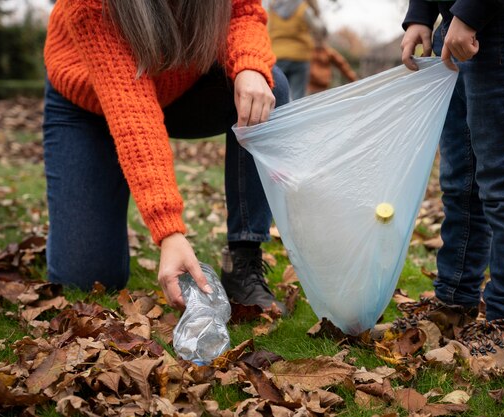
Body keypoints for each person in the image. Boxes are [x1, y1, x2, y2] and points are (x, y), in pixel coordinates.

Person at [42, 0, 288, 315]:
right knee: (86, 280)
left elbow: (242, 12)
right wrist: (169, 231)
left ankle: (243, 259)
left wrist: (250, 65)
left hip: (179, 85)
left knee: (270, 84)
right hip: (87, 102)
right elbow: (132, 111)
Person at [398, 0, 504, 372]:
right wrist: (421, 14)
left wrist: (471, 11)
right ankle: (454, 305)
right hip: (456, 25)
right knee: (461, 182)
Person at [268, 0, 326, 100]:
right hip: (299, 57)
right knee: (297, 97)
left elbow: (266, 27)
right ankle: (296, 116)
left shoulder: (272, 7)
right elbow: (319, 28)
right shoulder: (302, 7)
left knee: (277, 94)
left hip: (277, 55)